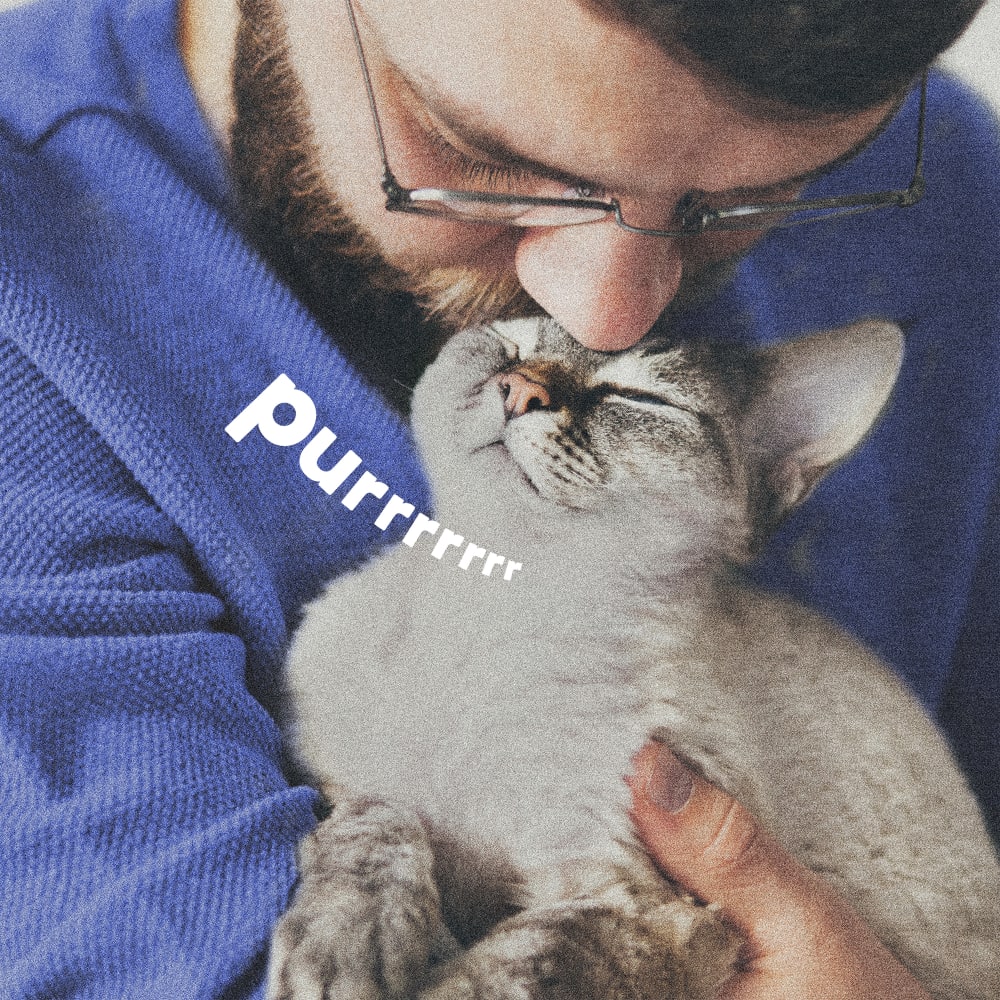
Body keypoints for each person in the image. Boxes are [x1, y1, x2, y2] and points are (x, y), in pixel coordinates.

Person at [0, 0, 996, 996]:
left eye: (739, 206)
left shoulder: (937, 206)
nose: (603, 313)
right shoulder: (30, 305)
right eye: (471, 150)